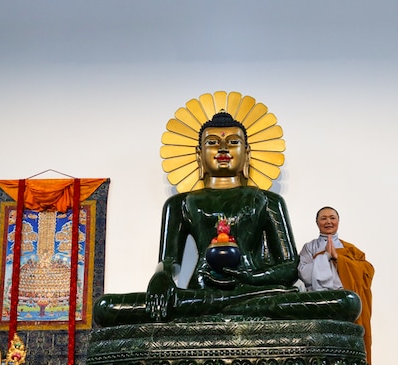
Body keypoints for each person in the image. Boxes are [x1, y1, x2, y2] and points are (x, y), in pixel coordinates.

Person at [93, 111, 361, 326]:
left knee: (347, 302)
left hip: (256, 291)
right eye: (212, 143)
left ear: (247, 153)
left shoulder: (268, 201)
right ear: (199, 155)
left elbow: (290, 266)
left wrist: (253, 277)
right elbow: (169, 261)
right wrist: (161, 278)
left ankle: (232, 305)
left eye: (233, 142)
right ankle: (228, 307)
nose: (223, 148)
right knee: (106, 308)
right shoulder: (180, 203)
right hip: (199, 294)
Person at [298, 207, 374, 365]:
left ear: (338, 221)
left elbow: (367, 271)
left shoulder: (351, 249)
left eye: (332, 217)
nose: (328, 221)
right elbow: (303, 273)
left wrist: (339, 258)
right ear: (317, 223)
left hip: (345, 308)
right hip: (320, 305)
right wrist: (322, 259)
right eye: (323, 218)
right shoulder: (309, 248)